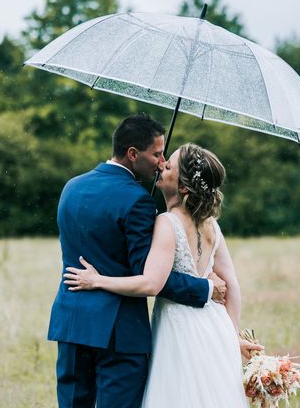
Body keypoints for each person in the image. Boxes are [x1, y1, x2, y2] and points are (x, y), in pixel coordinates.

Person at [48, 114, 228, 408]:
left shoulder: (71, 187)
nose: (161, 162)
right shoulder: (137, 200)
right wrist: (204, 289)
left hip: (71, 322)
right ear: (133, 154)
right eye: (157, 154)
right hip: (119, 333)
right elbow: (149, 275)